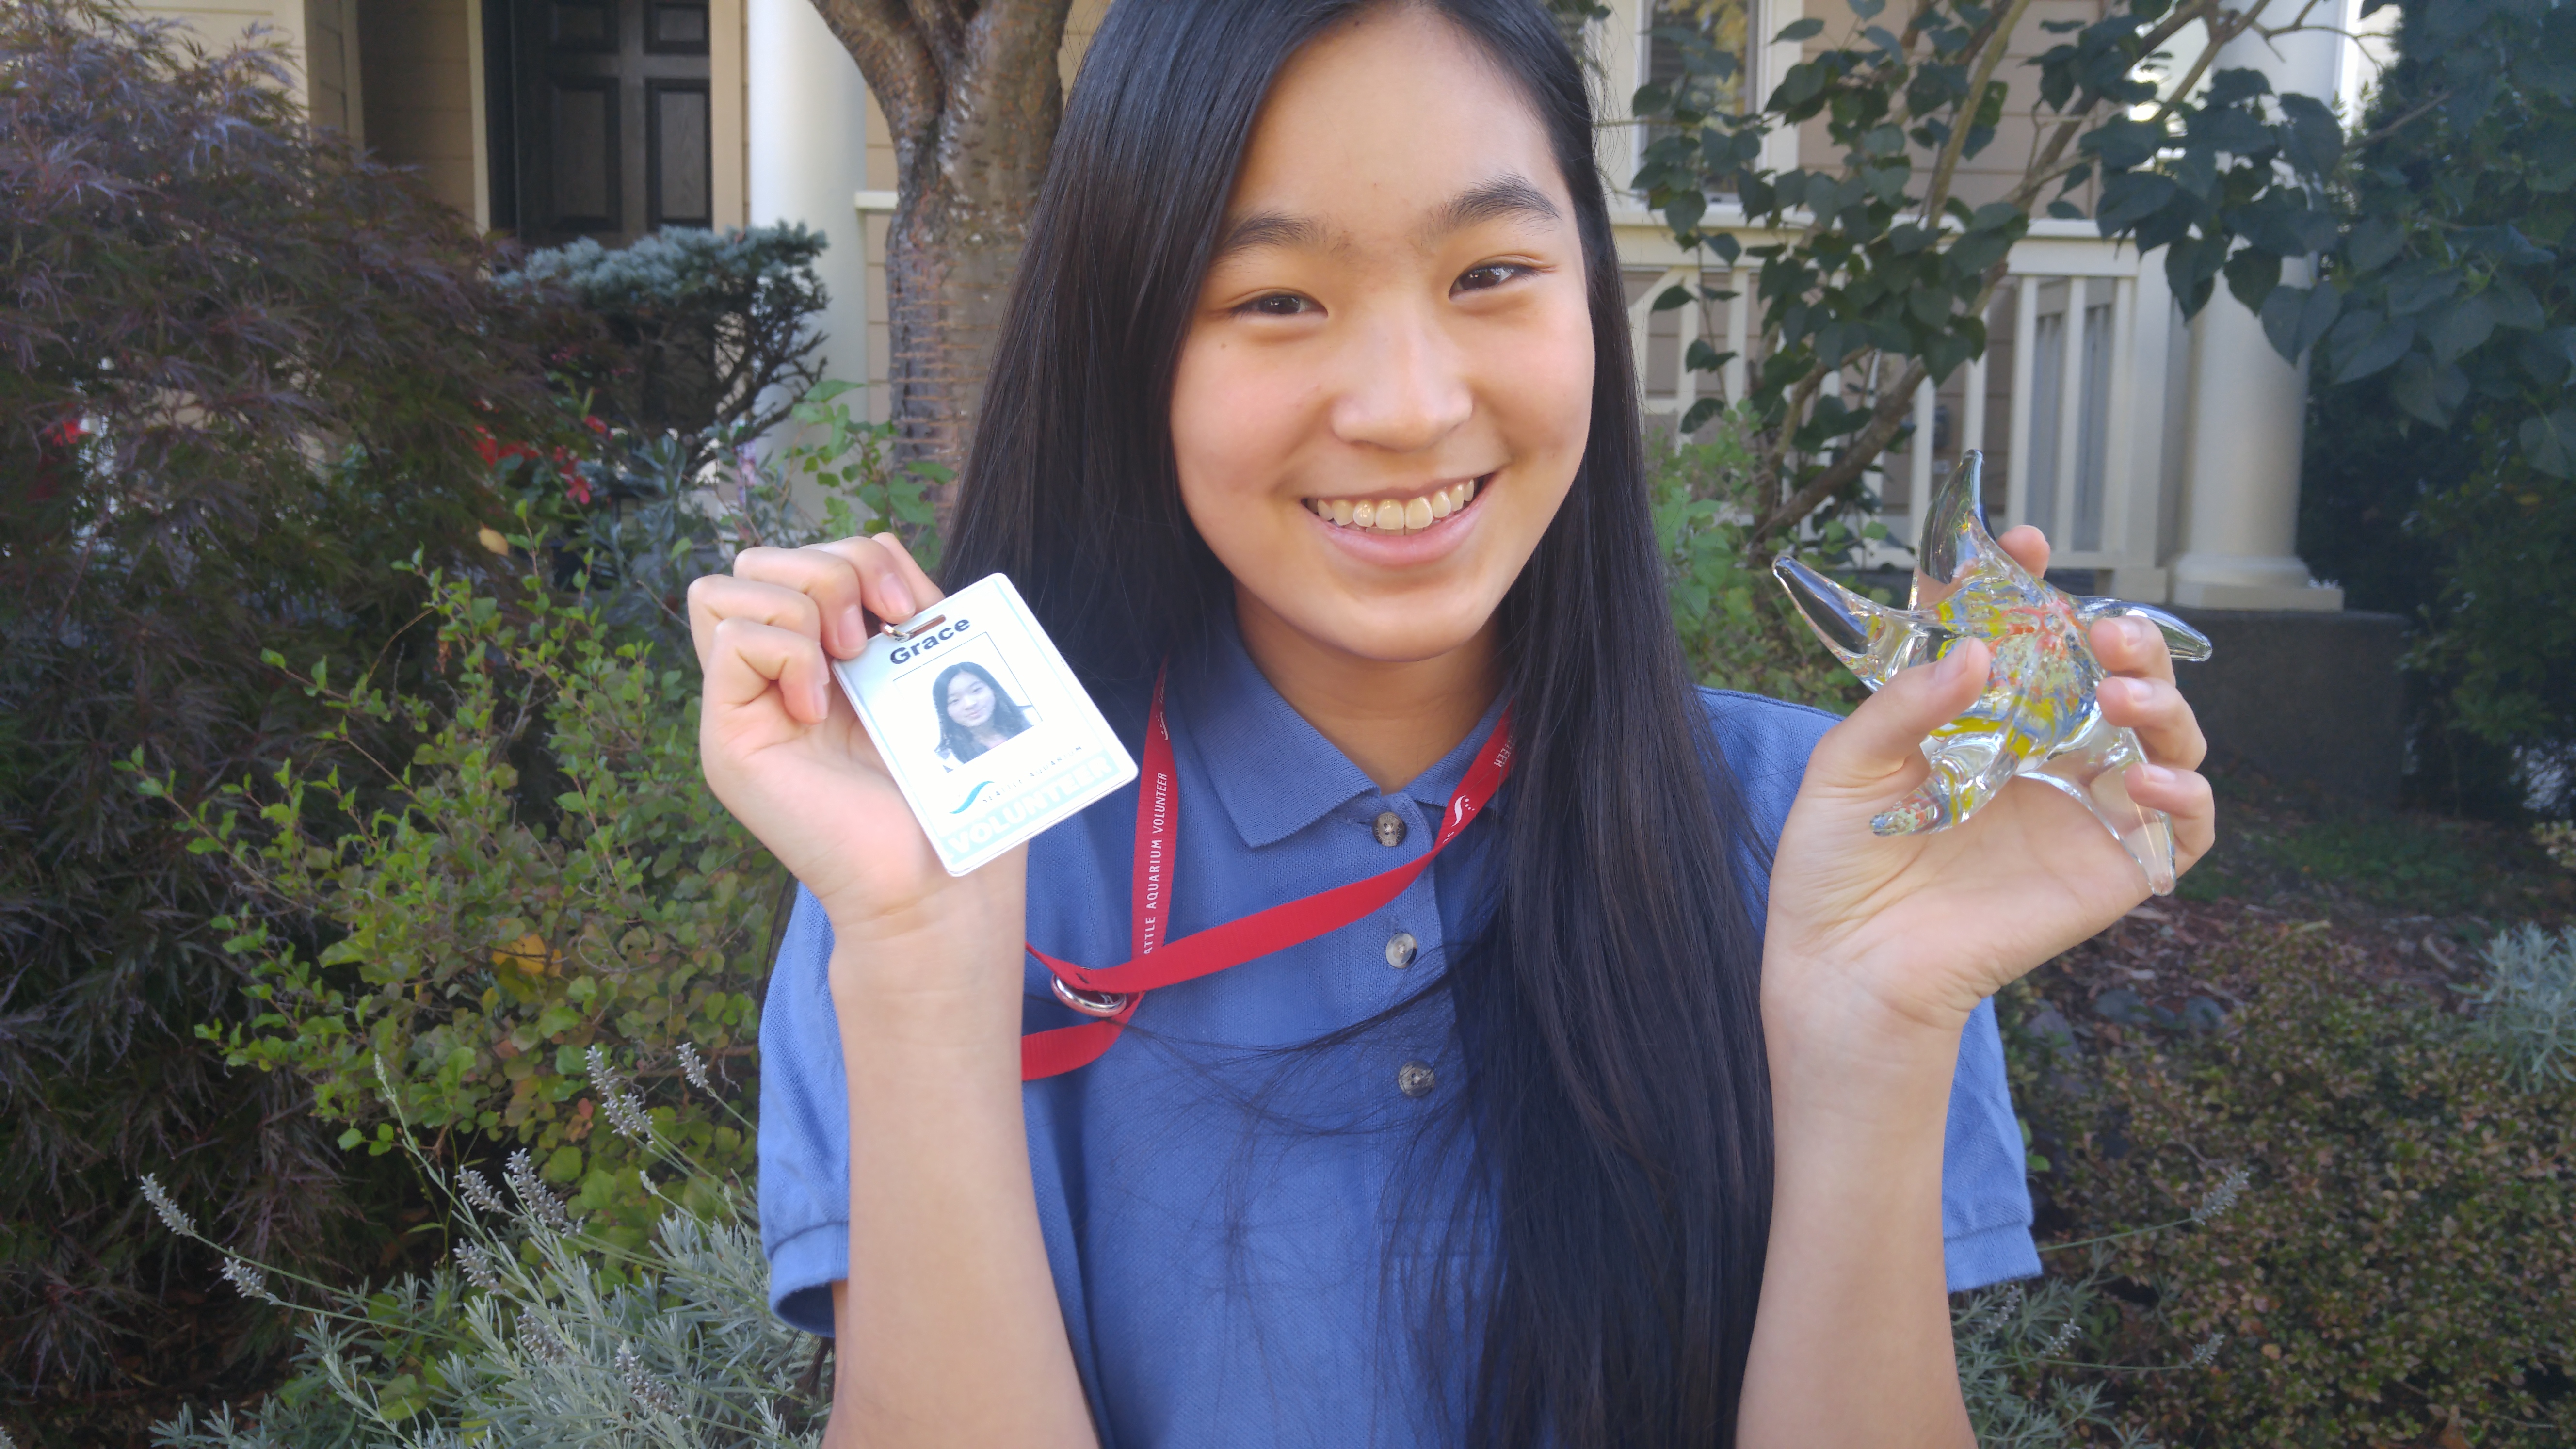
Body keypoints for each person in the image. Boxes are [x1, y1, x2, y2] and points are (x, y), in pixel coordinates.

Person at [685, 1, 2213, 1445]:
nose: (1409, 405)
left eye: (1490, 273)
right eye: (1276, 298)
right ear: (1129, 346)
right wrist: (914, 958)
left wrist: (1870, 1023)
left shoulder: (1827, 840)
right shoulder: (938, 857)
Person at [930, 660, 1033, 768]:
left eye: (976, 690)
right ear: (945, 711)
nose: (970, 704)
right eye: (955, 700)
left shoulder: (1033, 717)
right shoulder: (949, 760)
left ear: (993, 689)